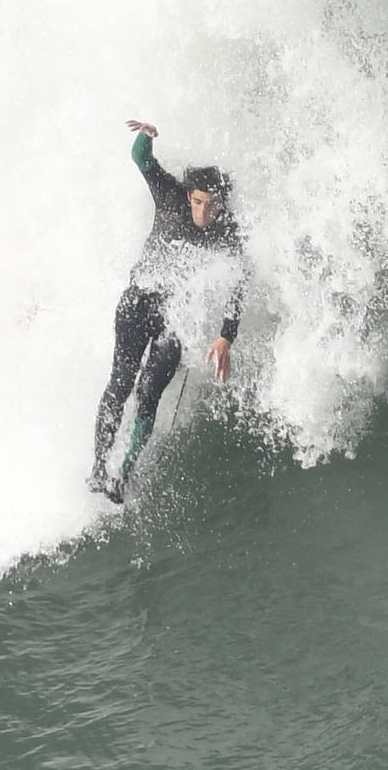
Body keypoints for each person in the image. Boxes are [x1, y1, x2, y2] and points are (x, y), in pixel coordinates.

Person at [86, 119, 245, 504]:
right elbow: (140, 158)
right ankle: (98, 467)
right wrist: (147, 136)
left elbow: (240, 283)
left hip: (175, 317)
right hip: (137, 304)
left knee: (149, 394)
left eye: (211, 205)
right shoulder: (170, 195)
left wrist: (226, 335)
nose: (204, 212)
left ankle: (122, 477)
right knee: (121, 383)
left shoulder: (226, 230)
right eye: (198, 202)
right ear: (189, 195)